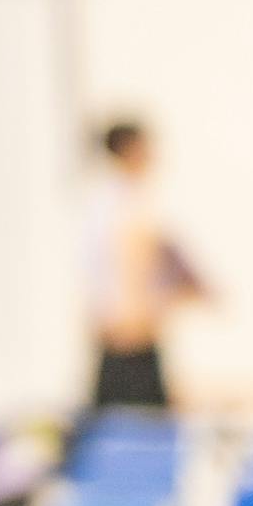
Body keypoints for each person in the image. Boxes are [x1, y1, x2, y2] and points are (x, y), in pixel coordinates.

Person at [87, 117, 205, 410]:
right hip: (130, 347)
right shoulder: (125, 210)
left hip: (127, 342)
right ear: (131, 150)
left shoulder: (111, 205)